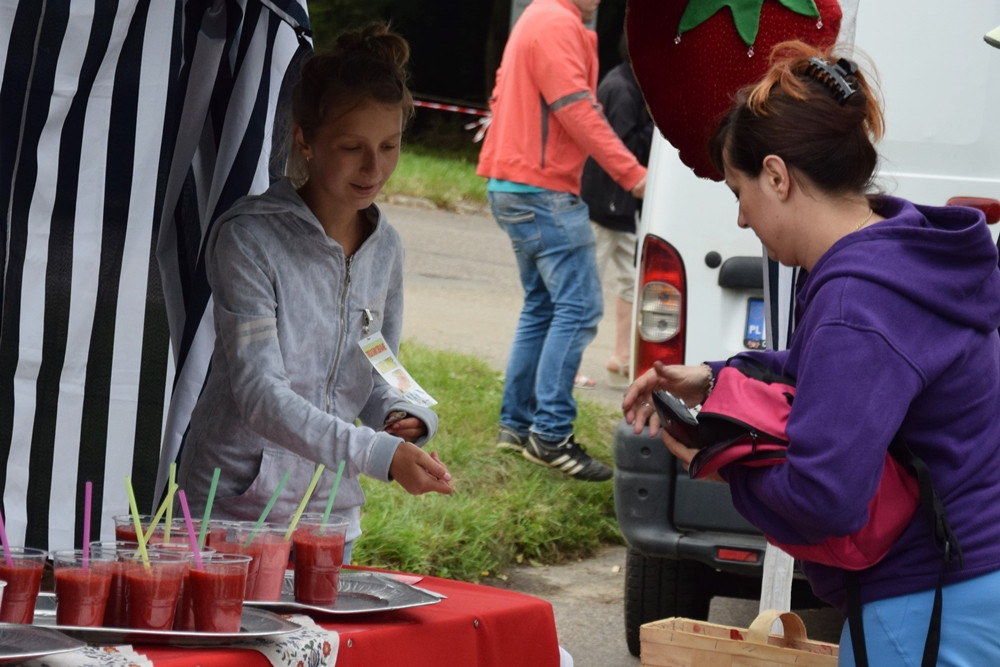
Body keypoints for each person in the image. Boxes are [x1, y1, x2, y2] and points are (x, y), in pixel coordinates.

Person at [623, 41, 1000, 665]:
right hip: (967, 579)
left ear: (777, 175)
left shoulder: (859, 300)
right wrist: (713, 379)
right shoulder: (901, 254)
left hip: (928, 601)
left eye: (739, 191)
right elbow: (834, 377)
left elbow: (826, 498)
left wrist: (716, 459)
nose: (743, 220)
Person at [177, 22, 453, 564]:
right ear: (304, 139)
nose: (374, 168)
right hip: (233, 511)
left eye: (389, 146)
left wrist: (404, 415)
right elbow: (260, 395)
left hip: (330, 517)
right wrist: (376, 452)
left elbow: (377, 368)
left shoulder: (385, 247)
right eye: (352, 147)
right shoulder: (249, 237)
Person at [477, 0, 647, 481]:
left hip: (515, 184)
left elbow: (499, 95)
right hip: (542, 190)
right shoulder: (555, 21)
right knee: (578, 307)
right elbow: (577, 108)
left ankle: (515, 426)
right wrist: (633, 175)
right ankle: (550, 437)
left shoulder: (537, 16)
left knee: (544, 306)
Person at [581, 34, 653, 388]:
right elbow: (623, 146)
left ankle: (621, 356)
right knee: (584, 285)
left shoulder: (633, 84)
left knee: (632, 281)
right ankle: (572, 365)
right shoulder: (622, 87)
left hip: (623, 207)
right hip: (604, 204)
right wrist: (657, 131)